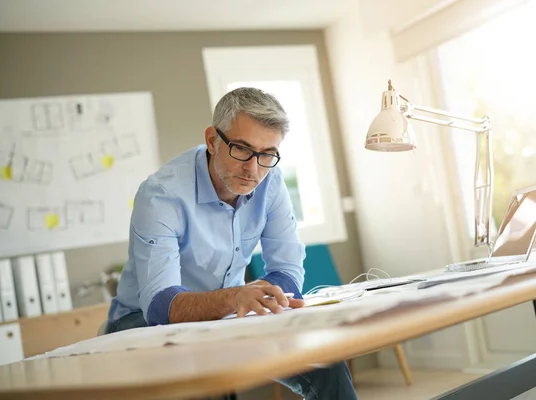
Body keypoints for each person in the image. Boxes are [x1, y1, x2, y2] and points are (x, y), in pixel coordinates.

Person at [106, 87, 357, 400]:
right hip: (140, 322)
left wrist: (261, 300)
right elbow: (160, 306)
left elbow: (288, 266)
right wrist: (236, 298)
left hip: (225, 318)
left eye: (267, 154)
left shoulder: (271, 181)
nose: (253, 169)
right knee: (206, 379)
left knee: (324, 364)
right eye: (242, 149)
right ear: (213, 140)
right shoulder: (162, 195)